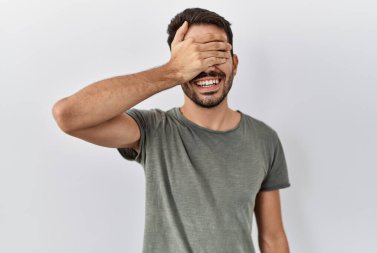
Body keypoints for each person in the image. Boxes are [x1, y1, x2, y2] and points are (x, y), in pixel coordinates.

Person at [52, 7, 291, 253]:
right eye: (195, 55)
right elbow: (68, 116)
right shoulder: (153, 130)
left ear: (235, 63)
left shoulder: (264, 139)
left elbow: (272, 239)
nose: (206, 66)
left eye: (217, 52)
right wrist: (172, 72)